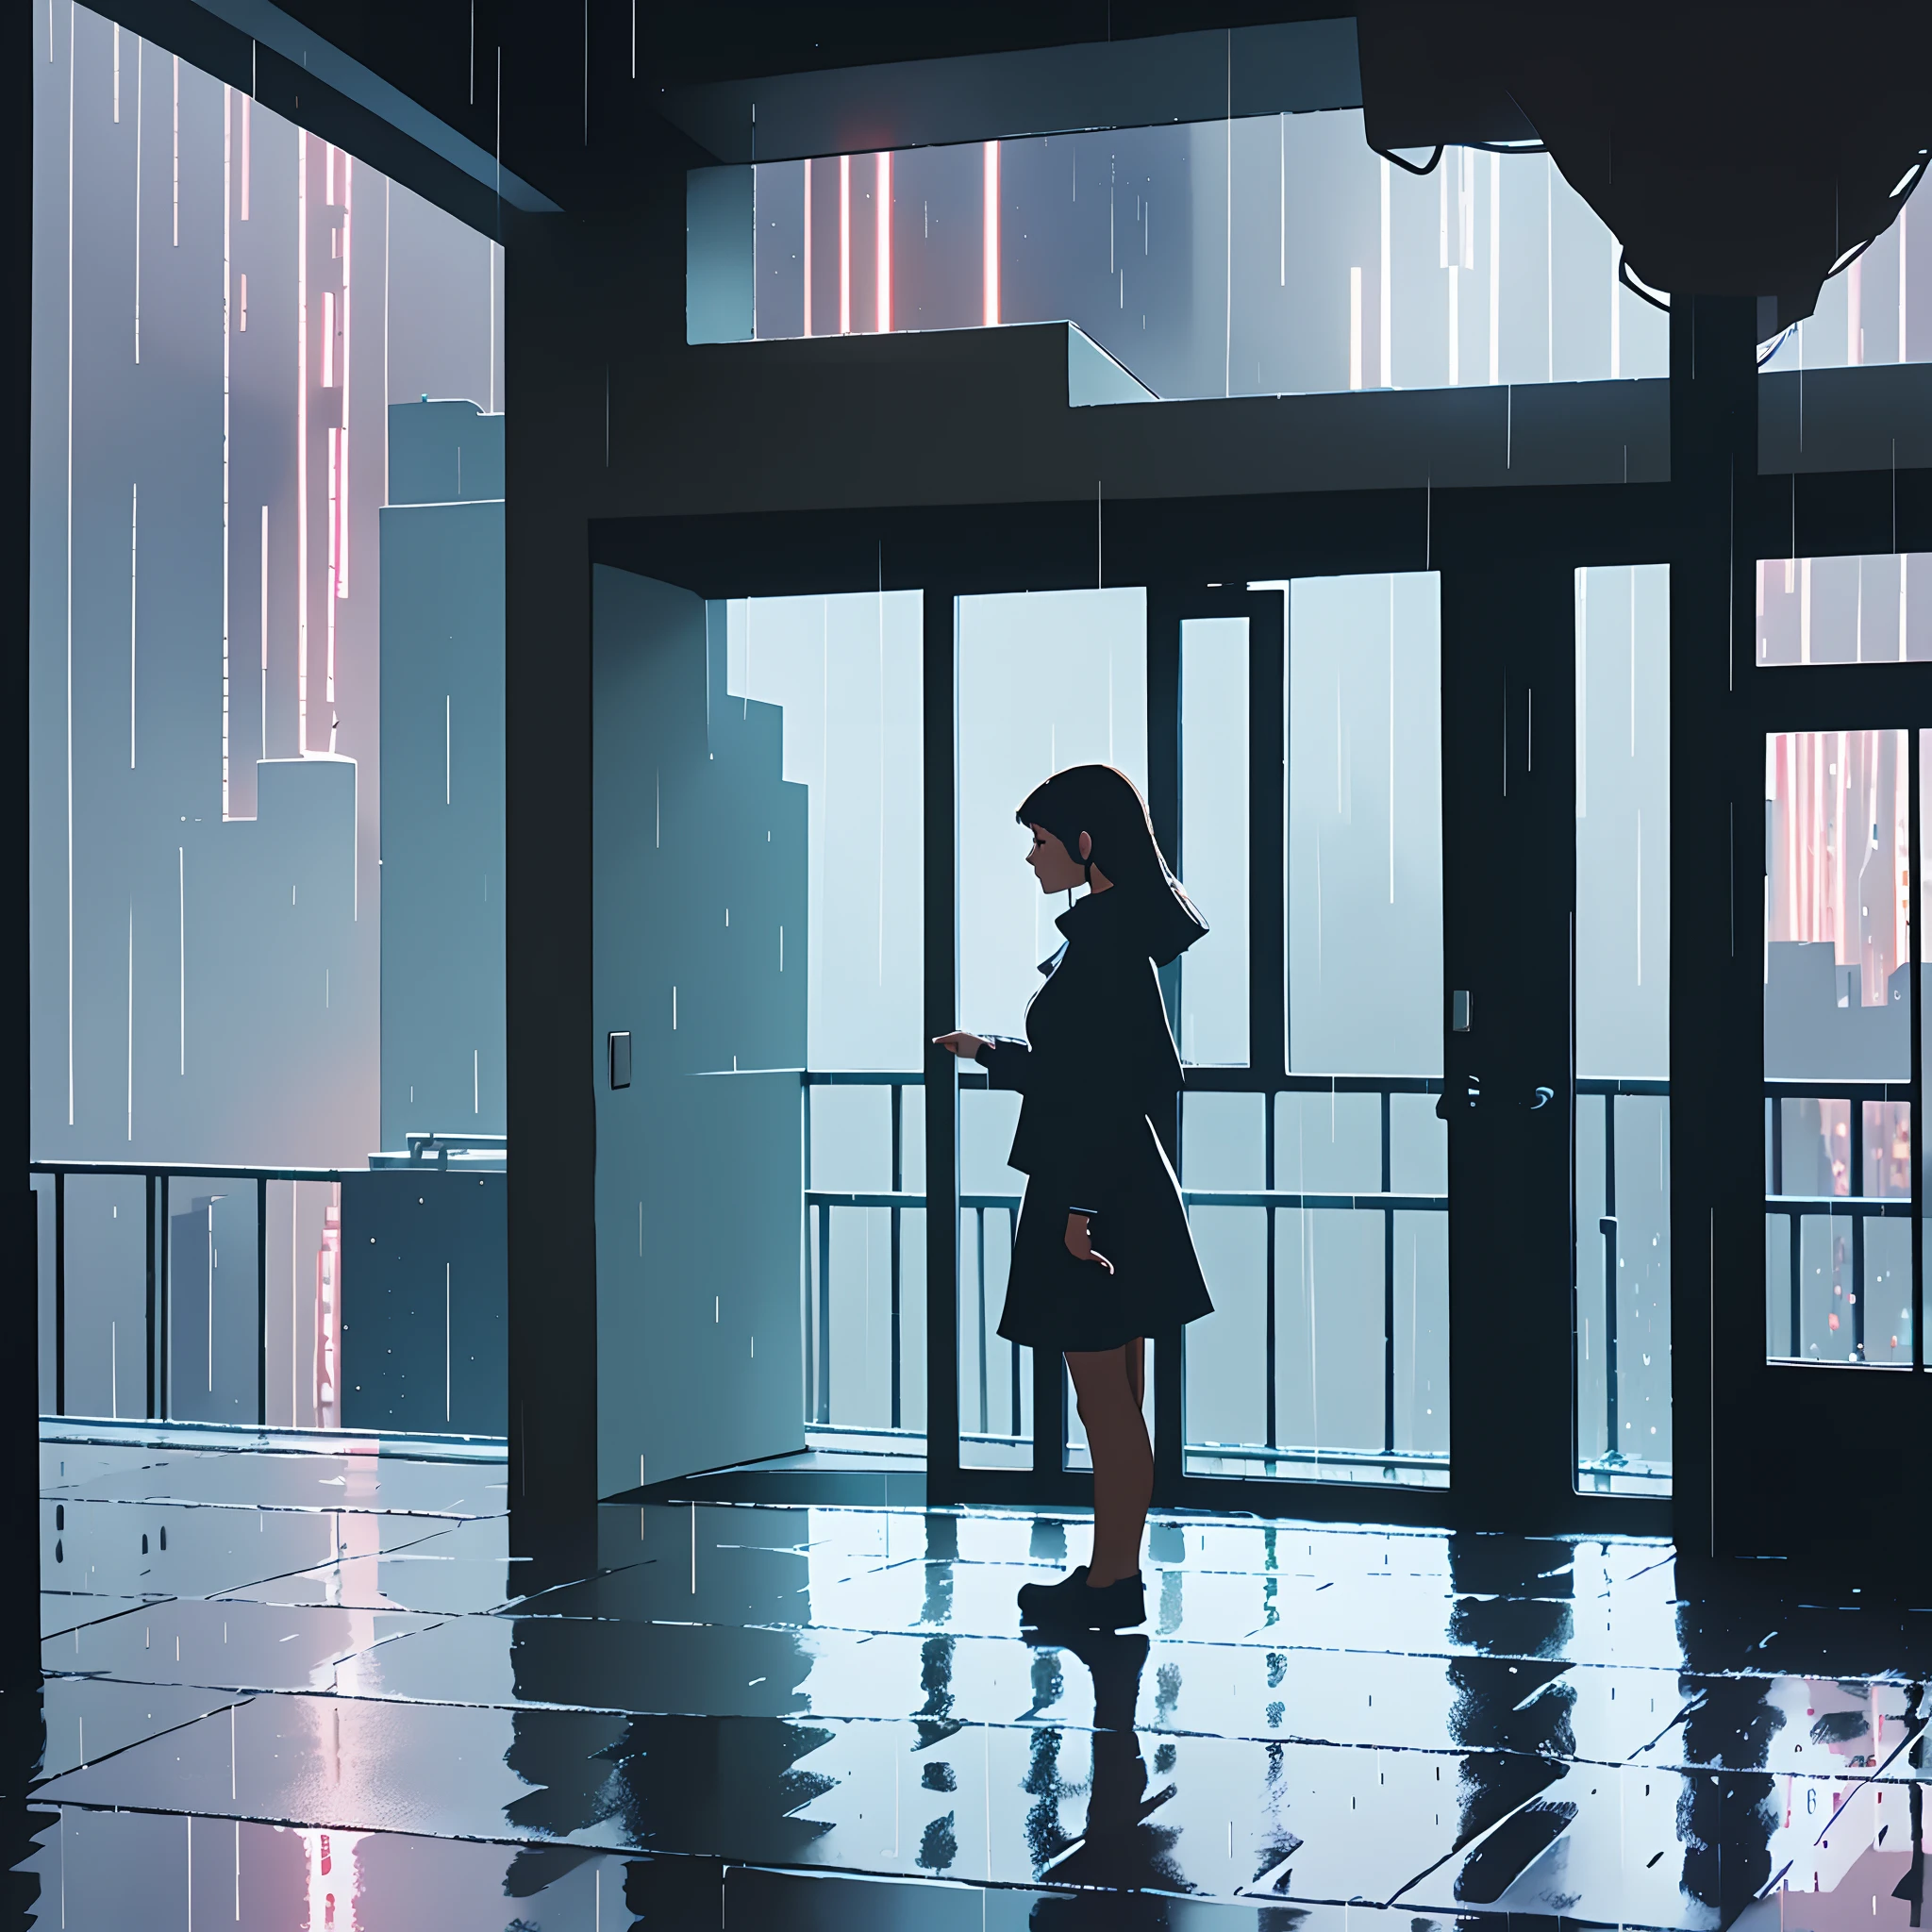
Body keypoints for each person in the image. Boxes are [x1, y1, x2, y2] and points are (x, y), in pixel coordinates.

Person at [936, 763, 1213, 1631]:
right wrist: (989, 1052)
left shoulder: (1101, 943)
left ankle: (1112, 1583)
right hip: (1114, 1182)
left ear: (1086, 844)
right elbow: (1087, 1073)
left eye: (1041, 840)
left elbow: (1101, 1088)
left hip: (1092, 1190)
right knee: (1116, 1392)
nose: (1029, 857)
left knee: (1104, 1395)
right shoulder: (1110, 935)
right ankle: (1112, 1575)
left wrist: (1080, 1213)